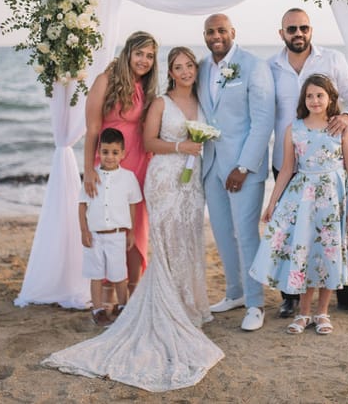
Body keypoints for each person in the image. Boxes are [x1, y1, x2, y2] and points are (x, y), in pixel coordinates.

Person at [43, 46, 224, 392]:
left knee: (189, 241)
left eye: (189, 65)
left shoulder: (204, 100)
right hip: (162, 178)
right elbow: (148, 141)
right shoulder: (159, 102)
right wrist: (181, 148)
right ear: (169, 72)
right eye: (177, 66)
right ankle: (154, 302)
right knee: (166, 242)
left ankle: (190, 303)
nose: (185, 71)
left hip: (191, 181)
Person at [269, 8, 348, 320]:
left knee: (336, 231)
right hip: (289, 163)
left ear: (311, 30)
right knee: (293, 235)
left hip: (330, 171)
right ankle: (290, 297)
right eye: (291, 29)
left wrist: (346, 117)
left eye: (303, 28)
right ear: (282, 34)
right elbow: (263, 114)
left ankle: (347, 295)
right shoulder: (270, 67)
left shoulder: (333, 60)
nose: (297, 33)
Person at [250, 74, 348, 335]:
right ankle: (304, 314)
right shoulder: (294, 129)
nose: (314, 100)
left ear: (330, 99)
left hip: (333, 201)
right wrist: (272, 203)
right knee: (303, 252)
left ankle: (322, 313)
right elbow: (286, 169)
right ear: (303, 100)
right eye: (309, 96)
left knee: (329, 253)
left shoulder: (339, 128)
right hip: (302, 201)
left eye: (320, 95)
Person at [197, 13, 275, 331]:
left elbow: (263, 122)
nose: (216, 36)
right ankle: (235, 293)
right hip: (212, 163)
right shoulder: (202, 67)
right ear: (204, 35)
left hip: (243, 168)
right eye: (210, 31)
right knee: (221, 233)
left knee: (245, 235)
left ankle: (256, 304)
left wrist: (243, 167)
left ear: (232, 32)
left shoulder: (255, 66)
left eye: (221, 31)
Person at [83, 31, 158, 295]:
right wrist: (89, 170)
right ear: (128, 53)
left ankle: (134, 292)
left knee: (135, 226)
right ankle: (106, 295)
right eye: (139, 53)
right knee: (107, 224)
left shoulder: (146, 87)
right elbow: (92, 128)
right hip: (108, 163)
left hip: (138, 163)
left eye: (150, 56)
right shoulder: (106, 80)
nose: (144, 60)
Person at [78, 128, 142, 327]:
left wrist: (131, 232)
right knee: (96, 275)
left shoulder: (128, 177)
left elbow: (133, 205)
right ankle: (98, 310)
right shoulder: (91, 177)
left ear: (123, 153)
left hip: (117, 235)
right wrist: (84, 231)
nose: (110, 157)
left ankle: (123, 307)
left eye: (115, 152)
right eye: (105, 152)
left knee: (119, 275)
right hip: (95, 235)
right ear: (99, 153)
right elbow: (82, 205)